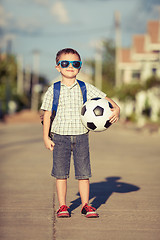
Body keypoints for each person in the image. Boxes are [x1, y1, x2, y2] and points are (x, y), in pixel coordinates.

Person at [41, 48, 120, 218]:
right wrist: (45, 137)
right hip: (59, 136)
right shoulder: (53, 89)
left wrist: (117, 108)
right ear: (58, 67)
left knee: (83, 173)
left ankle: (86, 205)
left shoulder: (85, 87)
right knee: (61, 173)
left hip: (81, 136)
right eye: (65, 63)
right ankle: (63, 206)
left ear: (80, 67)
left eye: (75, 64)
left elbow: (105, 98)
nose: (70, 66)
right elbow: (47, 114)